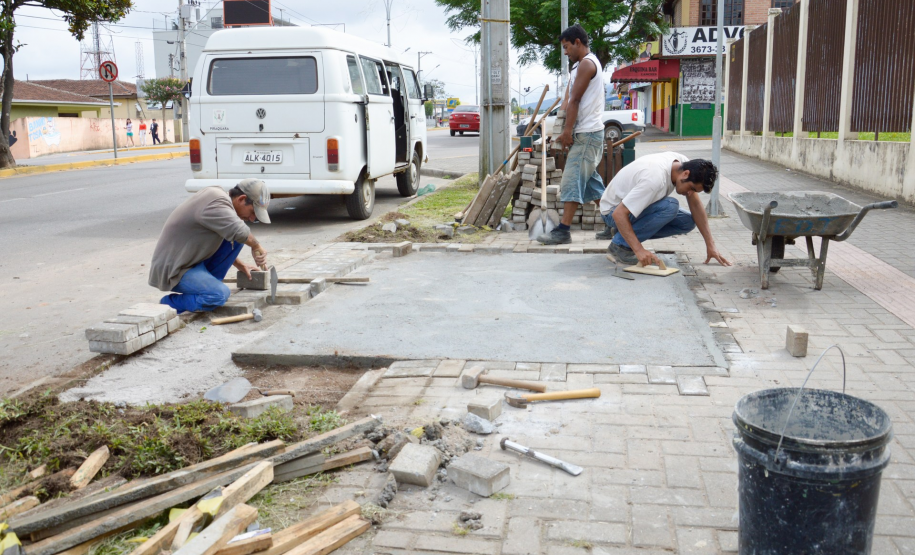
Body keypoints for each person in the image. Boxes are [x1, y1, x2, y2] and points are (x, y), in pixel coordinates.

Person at [149, 179, 272, 313]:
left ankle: (207, 287)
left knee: (237, 240)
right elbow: (240, 231)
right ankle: (168, 304)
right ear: (242, 199)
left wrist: (240, 265)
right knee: (219, 295)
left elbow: (235, 235)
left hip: (192, 261)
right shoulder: (215, 201)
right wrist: (256, 246)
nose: (252, 218)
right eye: (253, 212)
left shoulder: (221, 203)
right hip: (175, 269)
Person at [537, 24, 606, 245]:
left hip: (588, 133)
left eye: (567, 47)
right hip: (584, 133)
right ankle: (618, 224)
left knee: (571, 180)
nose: (565, 52)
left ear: (578, 42)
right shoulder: (577, 67)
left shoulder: (587, 64)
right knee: (592, 186)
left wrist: (567, 132)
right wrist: (560, 129)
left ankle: (563, 231)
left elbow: (575, 100)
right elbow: (567, 100)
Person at [600, 152, 732, 268]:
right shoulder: (654, 179)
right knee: (670, 206)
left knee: (687, 222)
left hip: (629, 209)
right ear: (686, 174)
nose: (691, 193)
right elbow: (619, 214)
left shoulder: (683, 164)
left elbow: (696, 206)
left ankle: (624, 232)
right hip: (612, 212)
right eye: (691, 188)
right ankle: (620, 246)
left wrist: (710, 245)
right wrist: (639, 250)